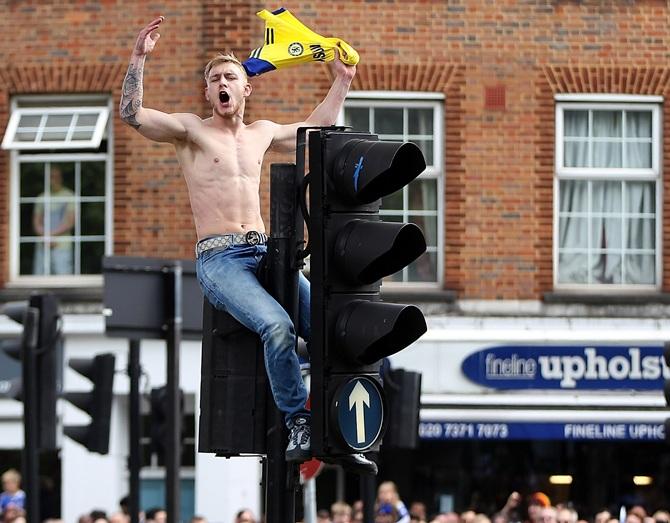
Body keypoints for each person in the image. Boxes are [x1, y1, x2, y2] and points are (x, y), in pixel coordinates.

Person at [119, 16, 376, 471]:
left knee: (335, 332)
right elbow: (133, 115)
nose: (222, 84)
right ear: (207, 93)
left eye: (230, 77)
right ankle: (298, 419)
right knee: (277, 327)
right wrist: (139, 58)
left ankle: (333, 428)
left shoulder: (260, 133)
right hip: (221, 260)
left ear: (245, 89)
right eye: (214, 79)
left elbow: (317, 130)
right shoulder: (191, 132)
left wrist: (343, 80)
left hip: (266, 253)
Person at [32, 165, 75, 275]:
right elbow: (37, 222)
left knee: (63, 278)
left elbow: (70, 222)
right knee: (39, 278)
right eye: (51, 177)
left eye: (56, 176)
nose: (53, 179)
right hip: (43, 245)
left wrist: (50, 235)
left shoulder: (69, 196)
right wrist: (46, 237)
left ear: (61, 178)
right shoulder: (41, 197)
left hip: (62, 246)